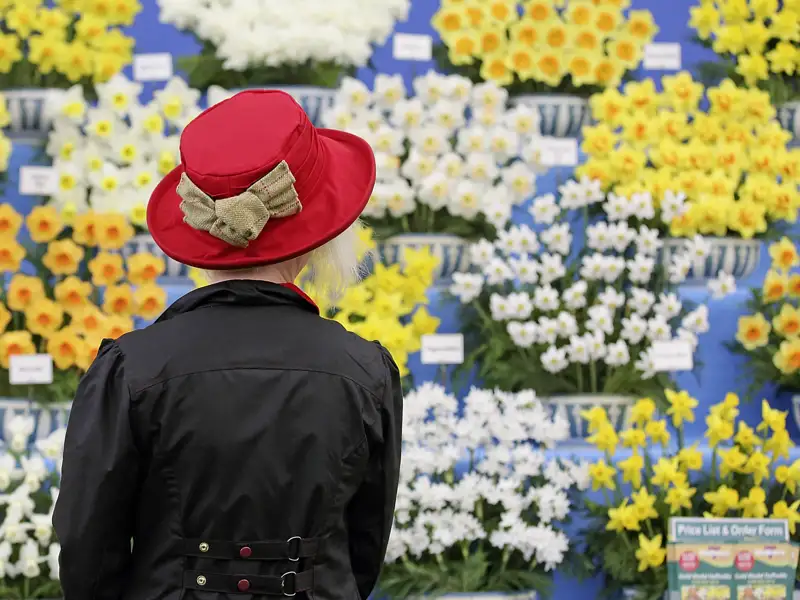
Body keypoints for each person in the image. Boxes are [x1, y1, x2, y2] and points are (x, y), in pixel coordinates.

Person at [52, 90, 404, 600]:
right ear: (313, 234)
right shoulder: (365, 371)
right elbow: (363, 552)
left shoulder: (131, 370)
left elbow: (87, 555)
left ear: (200, 227)